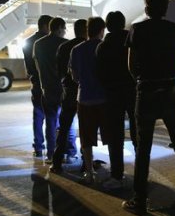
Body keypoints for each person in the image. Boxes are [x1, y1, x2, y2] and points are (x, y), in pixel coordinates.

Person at [122, 0, 175, 215]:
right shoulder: (174, 29)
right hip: (169, 90)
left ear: (147, 7)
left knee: (143, 148)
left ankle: (140, 198)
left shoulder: (138, 29)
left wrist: (142, 79)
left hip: (146, 91)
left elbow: (131, 65)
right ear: (165, 8)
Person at [69, 17, 110, 185]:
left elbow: (75, 77)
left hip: (84, 98)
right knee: (110, 135)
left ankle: (89, 171)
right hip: (104, 99)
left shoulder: (77, 49)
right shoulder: (105, 47)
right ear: (101, 30)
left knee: (86, 138)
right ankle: (116, 171)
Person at [95, 10, 137, 155]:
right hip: (132, 90)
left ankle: (117, 166)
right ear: (123, 24)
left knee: (115, 133)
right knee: (137, 127)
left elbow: (99, 73)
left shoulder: (102, 47)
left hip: (112, 94)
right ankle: (141, 161)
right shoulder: (132, 42)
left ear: (107, 26)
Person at [49, 18, 87, 172]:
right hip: (85, 92)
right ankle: (87, 163)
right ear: (86, 30)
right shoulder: (87, 46)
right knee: (85, 128)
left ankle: (56, 162)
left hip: (68, 91)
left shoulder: (64, 47)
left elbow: (59, 71)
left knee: (63, 128)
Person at [33, 17, 67, 162]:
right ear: (59, 28)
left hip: (46, 88)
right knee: (67, 123)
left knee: (50, 122)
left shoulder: (38, 44)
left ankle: (51, 153)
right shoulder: (65, 44)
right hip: (63, 88)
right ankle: (68, 152)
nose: (65, 31)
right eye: (64, 28)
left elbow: (37, 66)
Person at [22, 15, 52, 157]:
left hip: (36, 82)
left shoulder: (28, 42)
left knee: (38, 116)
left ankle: (38, 147)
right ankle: (53, 147)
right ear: (46, 26)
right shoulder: (48, 41)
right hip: (49, 83)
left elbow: (28, 65)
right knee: (52, 116)